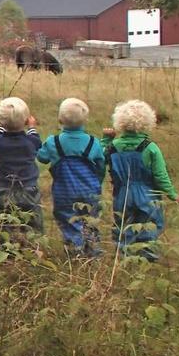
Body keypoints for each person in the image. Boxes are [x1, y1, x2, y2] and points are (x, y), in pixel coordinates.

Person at [102, 99, 179, 261]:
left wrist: (107, 140)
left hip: (122, 193)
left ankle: (125, 257)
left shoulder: (113, 146)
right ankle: (148, 258)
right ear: (147, 121)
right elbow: (160, 175)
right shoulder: (150, 147)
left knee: (123, 225)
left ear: (120, 121)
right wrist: (172, 194)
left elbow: (102, 160)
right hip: (147, 194)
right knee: (149, 225)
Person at [36, 98, 106, 256]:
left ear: (60, 119)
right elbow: (101, 165)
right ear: (85, 120)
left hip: (64, 191)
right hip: (89, 190)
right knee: (90, 219)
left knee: (68, 220)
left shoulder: (54, 142)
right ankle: (93, 253)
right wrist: (97, 183)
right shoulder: (93, 143)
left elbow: (41, 158)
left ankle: (75, 251)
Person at [0, 97, 43, 237]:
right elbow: (36, 140)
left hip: (4, 189)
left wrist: (1, 124)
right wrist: (32, 127)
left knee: (6, 224)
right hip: (28, 189)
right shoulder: (30, 143)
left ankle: (8, 250)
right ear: (25, 120)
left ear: (1, 121)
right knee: (32, 224)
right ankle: (32, 249)